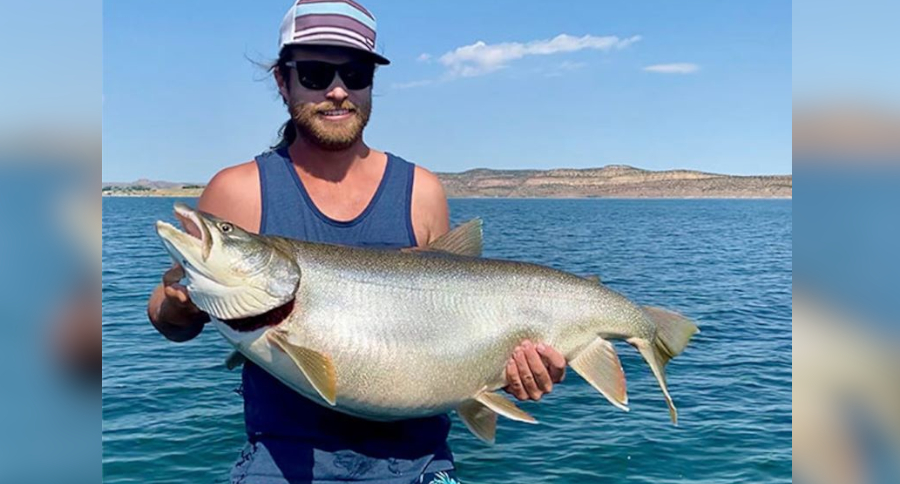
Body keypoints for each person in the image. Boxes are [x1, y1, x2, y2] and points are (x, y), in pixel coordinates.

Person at [146, 1, 566, 482]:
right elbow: (169, 317)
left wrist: (510, 371)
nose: (338, 91)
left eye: (356, 72)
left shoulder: (422, 192)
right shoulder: (239, 190)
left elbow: (457, 331)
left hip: (420, 464)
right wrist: (179, 304)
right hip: (282, 462)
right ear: (283, 82)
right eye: (316, 73)